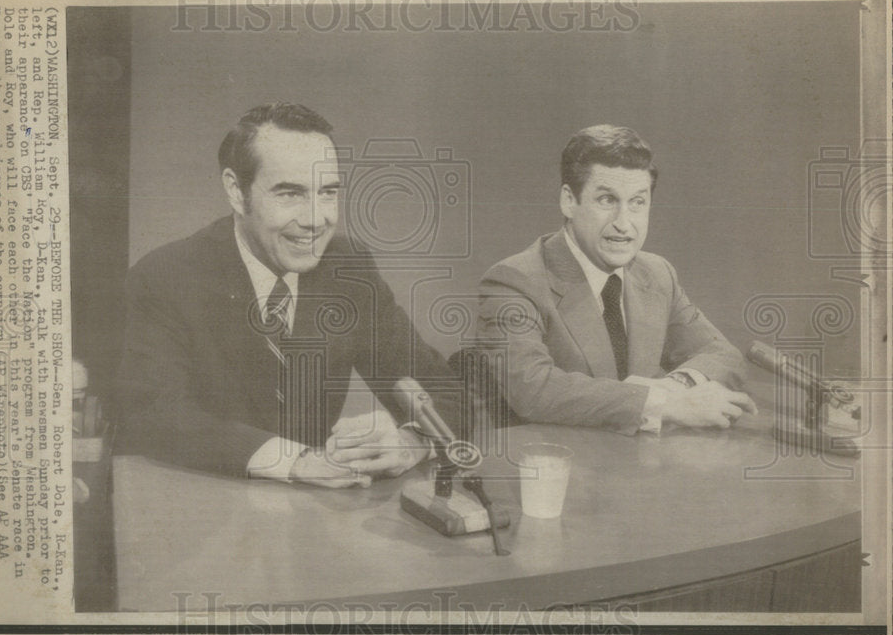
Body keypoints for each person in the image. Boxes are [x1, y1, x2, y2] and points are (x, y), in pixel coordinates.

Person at [116, 102, 458, 487]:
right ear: (235, 191)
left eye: (327, 192)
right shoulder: (166, 275)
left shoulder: (349, 268)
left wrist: (409, 443)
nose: (315, 219)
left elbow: (446, 391)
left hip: (316, 513)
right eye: (290, 193)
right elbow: (151, 414)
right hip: (204, 508)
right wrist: (293, 461)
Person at [477, 124, 756, 434]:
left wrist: (676, 385)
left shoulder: (658, 274)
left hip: (641, 465)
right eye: (607, 200)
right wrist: (663, 405)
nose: (624, 224)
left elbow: (723, 354)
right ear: (569, 201)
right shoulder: (514, 281)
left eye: (637, 202)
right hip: (565, 465)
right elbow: (533, 390)